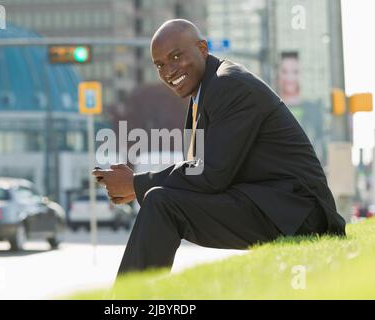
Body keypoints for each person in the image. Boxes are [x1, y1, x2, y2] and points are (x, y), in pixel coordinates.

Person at [93, 19, 346, 276]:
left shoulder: (229, 85)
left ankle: (128, 304)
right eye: (160, 65)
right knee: (162, 201)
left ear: (202, 48)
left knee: (162, 203)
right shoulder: (202, 94)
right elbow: (197, 172)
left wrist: (136, 184)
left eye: (176, 57)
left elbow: (209, 174)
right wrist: (139, 185)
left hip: (298, 215)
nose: (168, 71)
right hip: (268, 204)